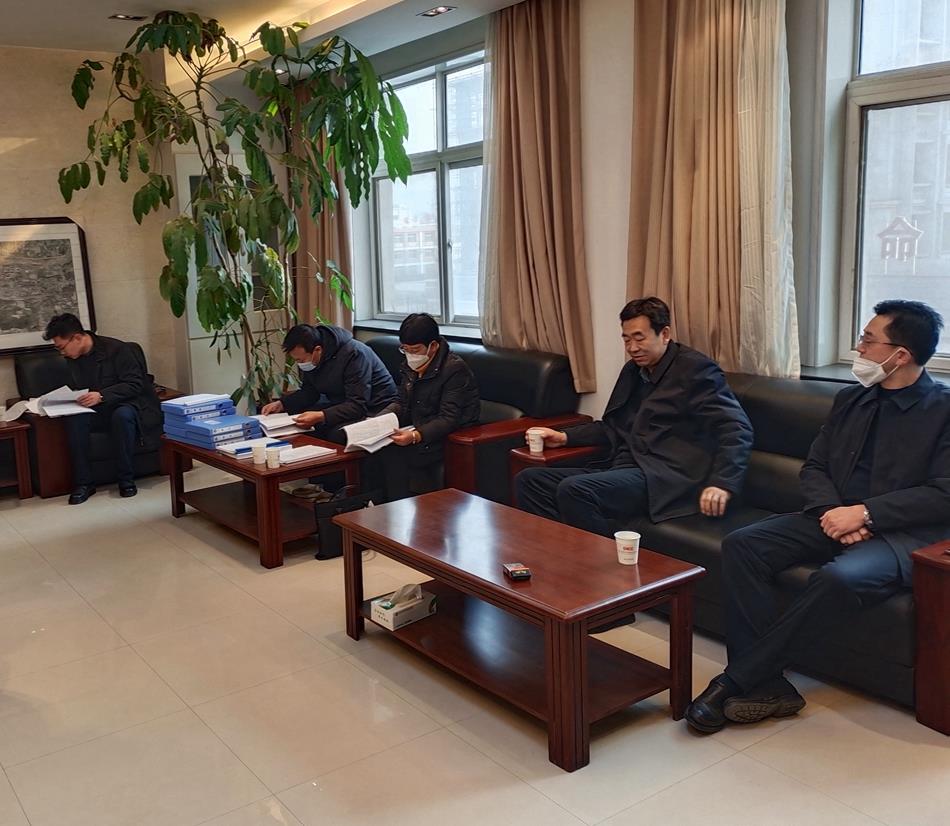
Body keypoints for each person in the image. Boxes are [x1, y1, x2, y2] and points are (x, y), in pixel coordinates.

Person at [686, 300, 950, 734]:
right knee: (744, 544)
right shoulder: (851, 399)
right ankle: (770, 685)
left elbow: (943, 492)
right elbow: (815, 466)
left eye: (868, 339)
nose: (859, 348)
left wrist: (865, 514)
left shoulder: (943, 410)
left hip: (901, 534)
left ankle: (737, 680)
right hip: (832, 516)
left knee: (837, 579)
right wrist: (832, 512)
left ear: (900, 355)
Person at [515, 297, 753, 534]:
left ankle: (599, 558)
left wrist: (722, 483)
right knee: (530, 481)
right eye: (626, 339)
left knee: (576, 490)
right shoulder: (633, 371)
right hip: (624, 466)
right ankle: (559, 550)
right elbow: (613, 426)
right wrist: (564, 437)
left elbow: (736, 428)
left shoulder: (695, 370)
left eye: (639, 338)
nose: (632, 348)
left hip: (665, 476)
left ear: (665, 334)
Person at [43, 313, 161, 504]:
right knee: (75, 418)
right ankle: (84, 483)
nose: (61, 353)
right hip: (93, 408)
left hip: (124, 403)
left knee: (122, 416)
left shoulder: (118, 350)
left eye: (62, 347)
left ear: (77, 338)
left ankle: (126, 480)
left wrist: (102, 395)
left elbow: (134, 384)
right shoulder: (73, 358)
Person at [367, 313, 480, 502]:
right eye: (405, 349)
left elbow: (449, 418)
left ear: (433, 345)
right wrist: (379, 420)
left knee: (393, 453)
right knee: (371, 448)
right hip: (417, 427)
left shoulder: (454, 369)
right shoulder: (410, 366)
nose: (411, 355)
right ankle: (370, 506)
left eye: (415, 349)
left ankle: (395, 509)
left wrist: (415, 436)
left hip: (446, 438)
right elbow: (401, 402)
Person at [260, 324, 397, 444]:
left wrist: (321, 415)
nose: (300, 364)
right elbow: (310, 392)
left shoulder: (354, 354)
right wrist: (283, 404)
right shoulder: (314, 359)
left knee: (334, 433)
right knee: (300, 420)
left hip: (375, 408)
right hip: (343, 403)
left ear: (317, 350)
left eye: (301, 360)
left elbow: (357, 405)